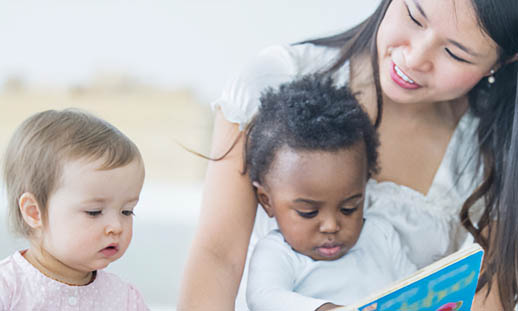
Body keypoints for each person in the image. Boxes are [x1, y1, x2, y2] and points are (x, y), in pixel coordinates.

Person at [178, 0, 518, 310]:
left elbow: (490, 296)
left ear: (503, 61)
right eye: (414, 16)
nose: (414, 58)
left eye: (456, 54)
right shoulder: (276, 78)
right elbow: (219, 257)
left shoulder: (496, 149)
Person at [244, 75, 417, 311]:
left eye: (349, 208)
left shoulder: (381, 236)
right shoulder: (278, 253)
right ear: (267, 201)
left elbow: (415, 288)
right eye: (308, 212)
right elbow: (264, 298)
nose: (331, 226)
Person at [0, 109, 149, 310]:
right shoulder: (8, 288)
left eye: (127, 211)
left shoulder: (125, 300)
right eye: (94, 212)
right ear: (34, 212)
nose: (116, 227)